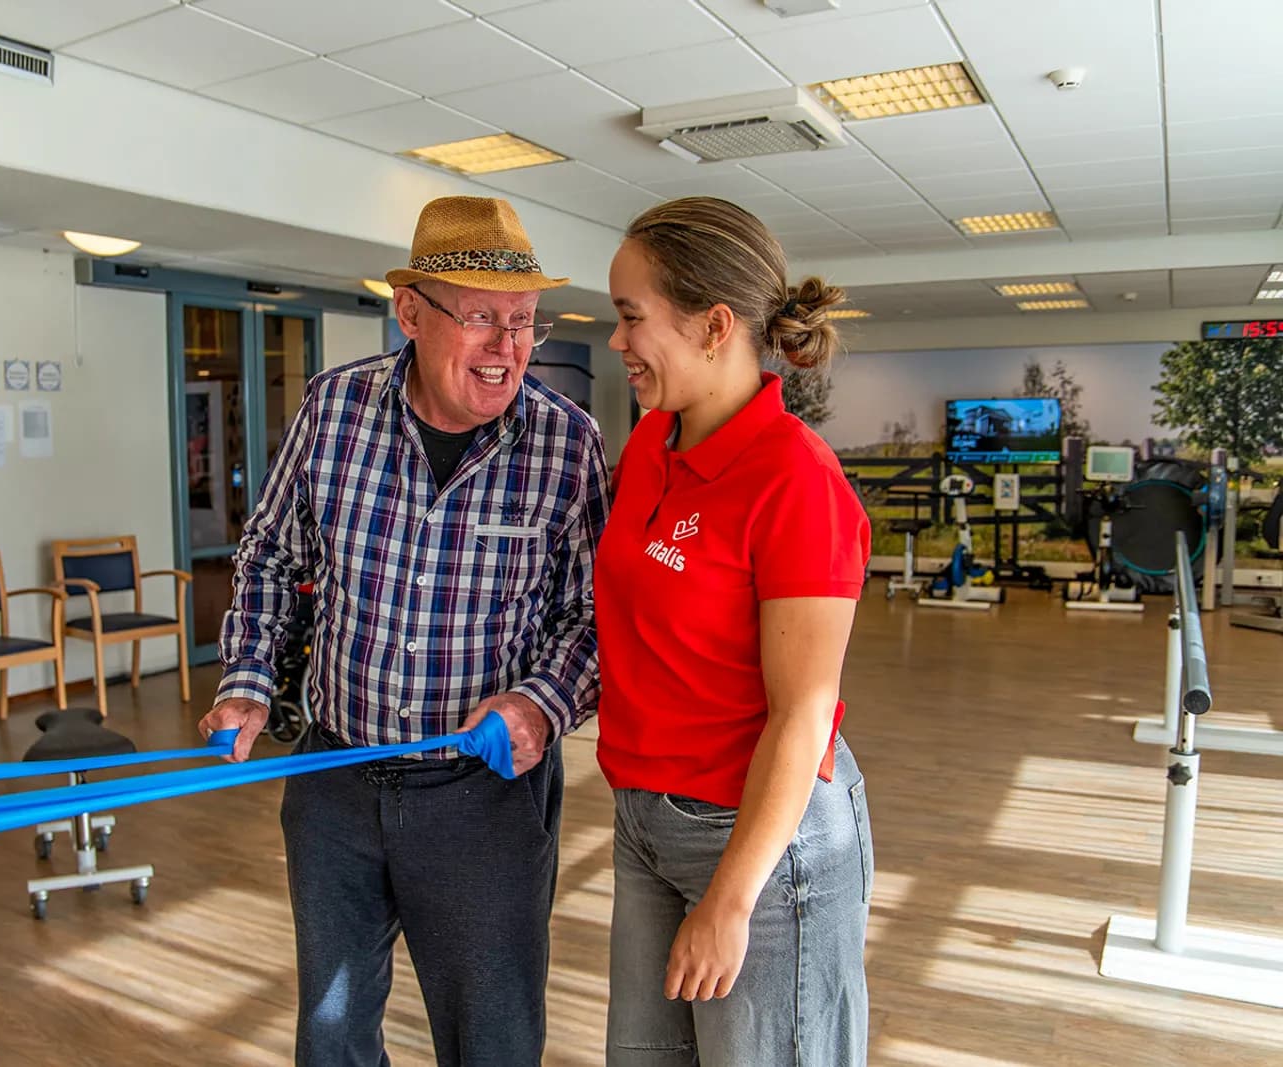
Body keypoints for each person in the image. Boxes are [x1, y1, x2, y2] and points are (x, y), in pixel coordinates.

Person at [199, 195, 610, 1067]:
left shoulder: (568, 444)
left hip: (482, 798)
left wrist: (538, 707)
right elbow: (271, 553)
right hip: (334, 781)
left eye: (525, 322)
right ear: (411, 312)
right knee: (333, 1033)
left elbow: (595, 616)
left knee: (491, 1041)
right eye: (483, 319)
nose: (509, 349)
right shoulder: (333, 408)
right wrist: (247, 677)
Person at [596, 196, 874, 1066]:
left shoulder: (796, 479)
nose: (617, 342)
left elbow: (803, 714)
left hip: (759, 840)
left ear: (714, 325)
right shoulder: (650, 445)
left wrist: (731, 899)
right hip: (644, 816)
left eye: (630, 317)